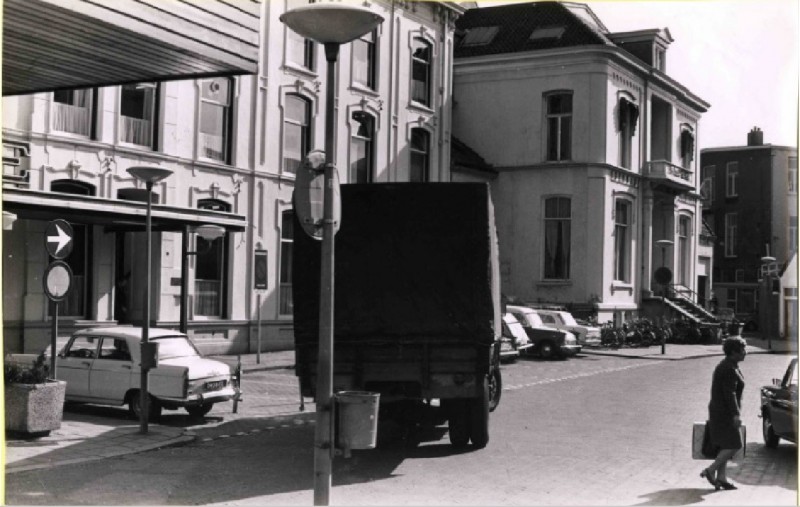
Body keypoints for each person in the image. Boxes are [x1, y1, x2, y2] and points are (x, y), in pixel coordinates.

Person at [700, 336, 747, 490]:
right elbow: (730, 394)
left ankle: (721, 478)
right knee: (735, 444)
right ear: (734, 352)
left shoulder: (729, 365)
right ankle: (711, 470)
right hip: (724, 413)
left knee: (725, 445)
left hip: (719, 410)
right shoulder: (729, 369)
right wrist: (736, 414)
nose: (745, 353)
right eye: (743, 350)